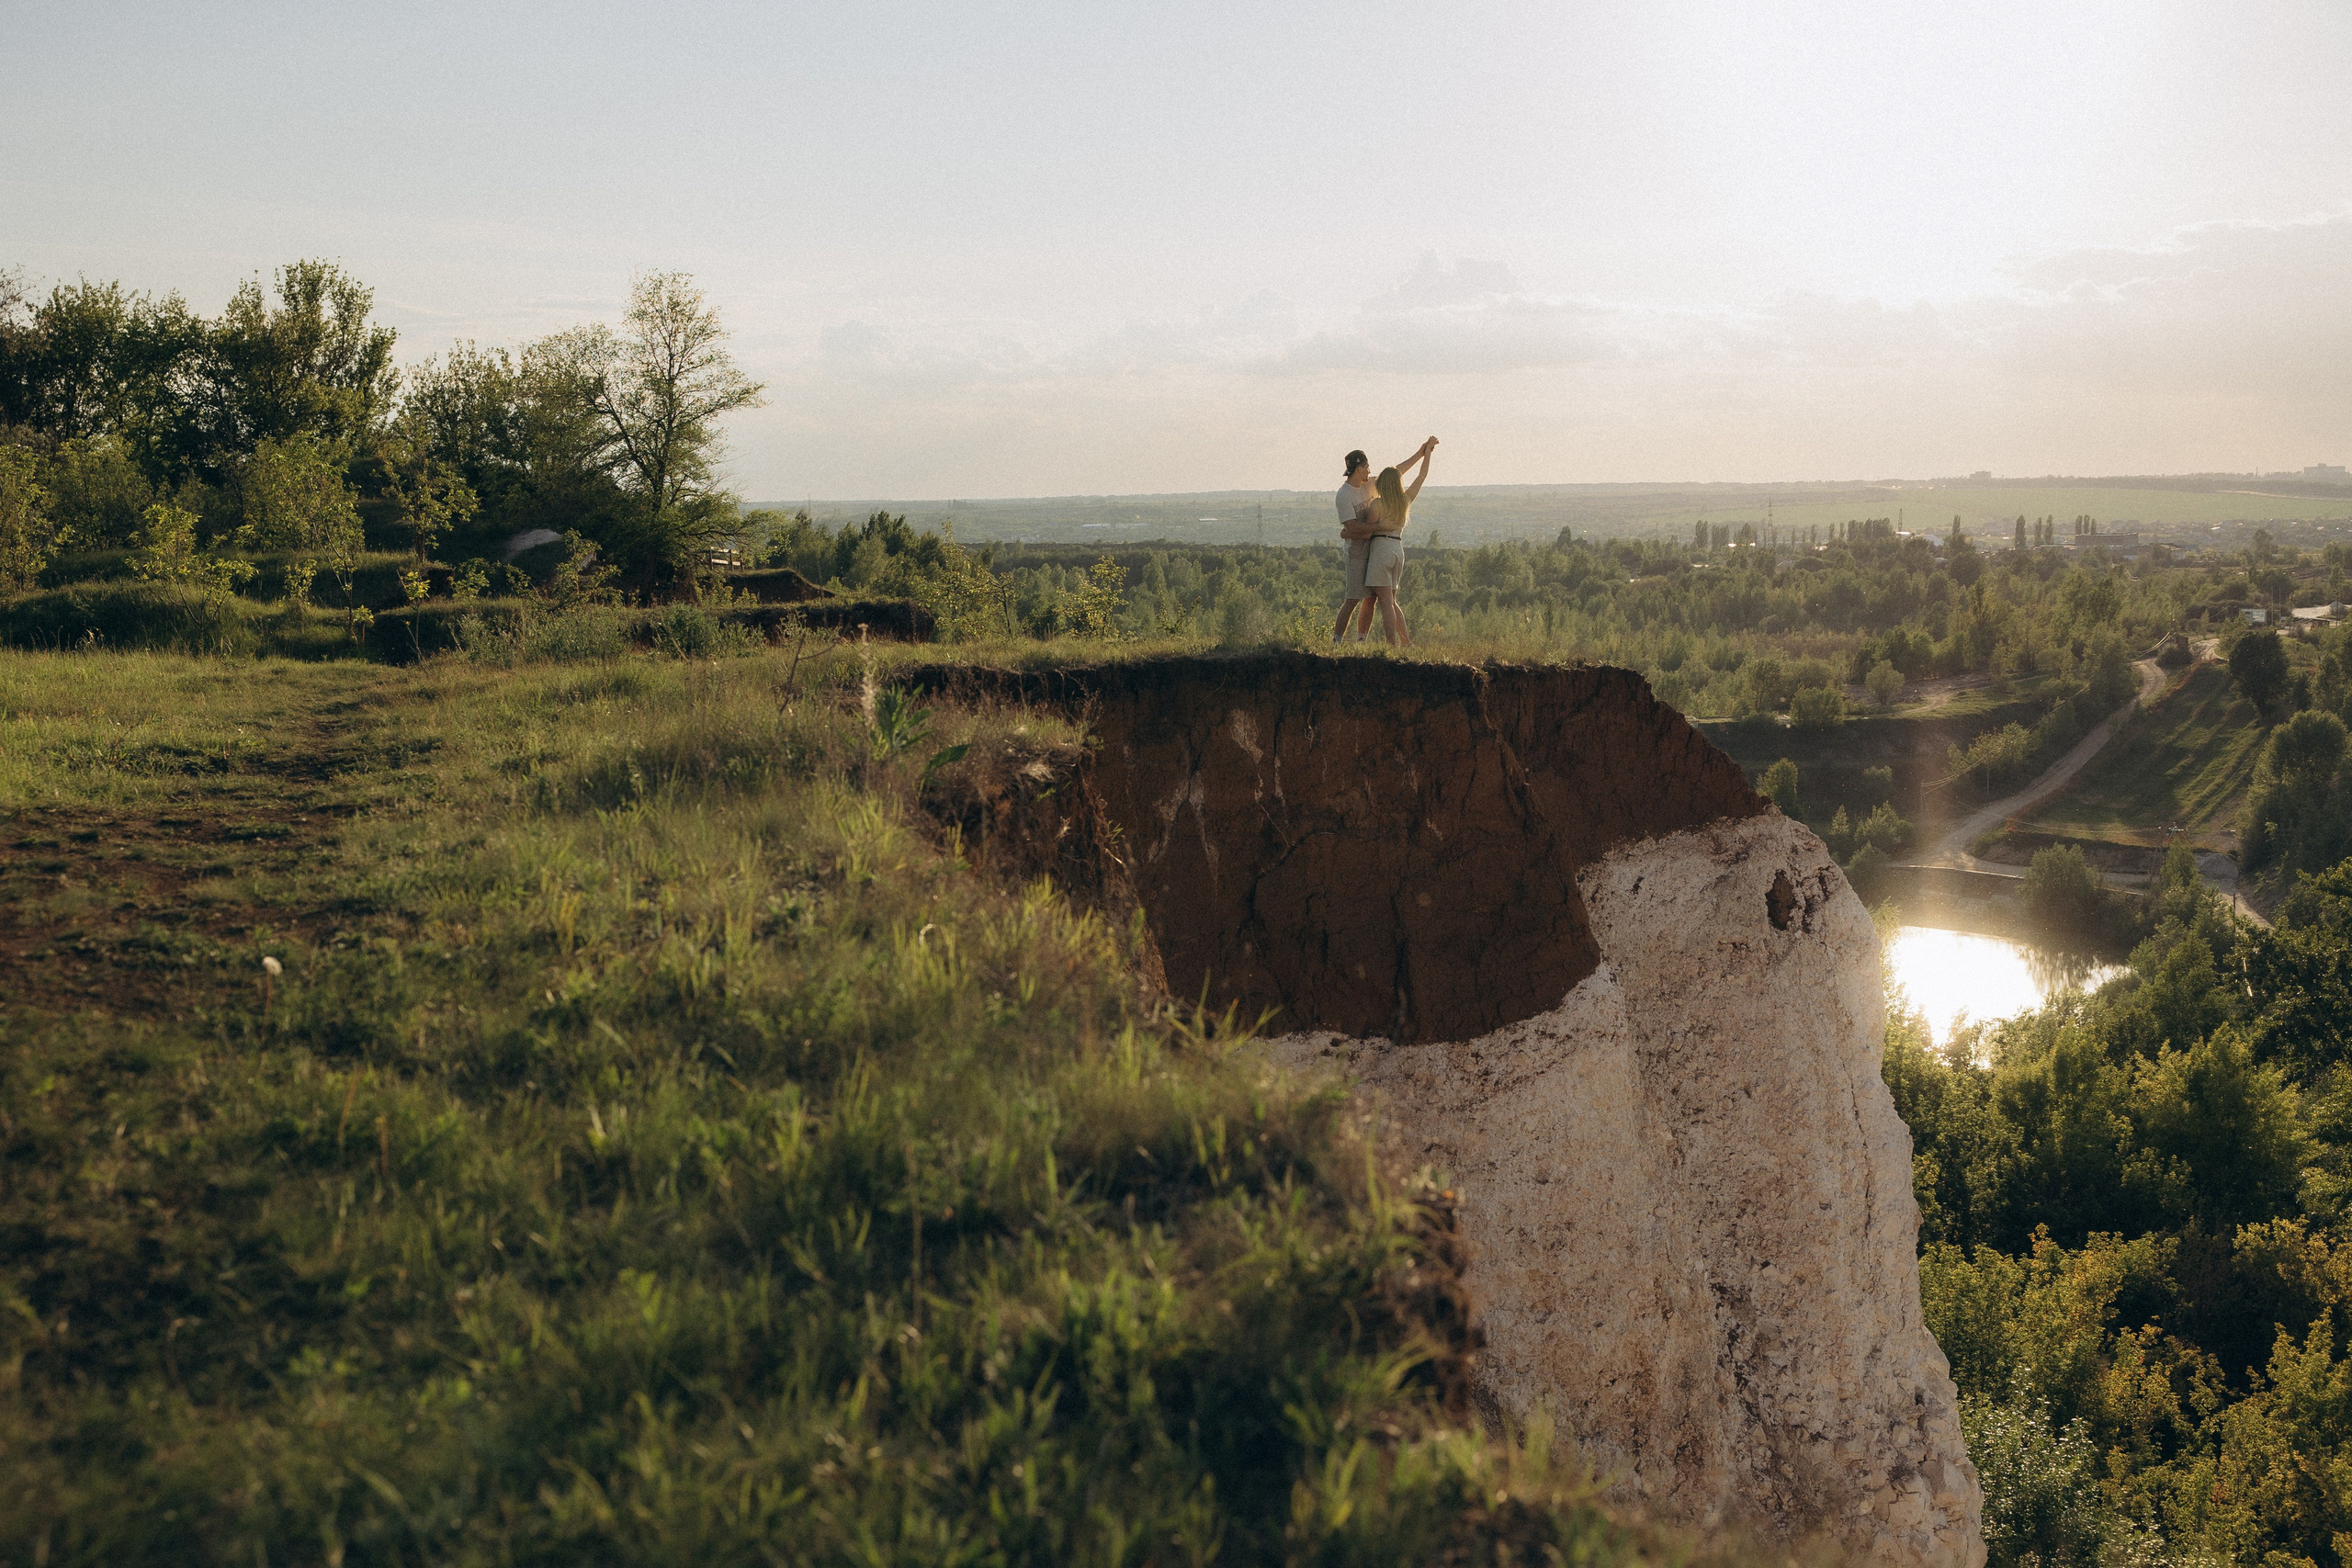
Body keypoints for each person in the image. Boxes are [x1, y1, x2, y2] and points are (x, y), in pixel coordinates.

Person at [1331, 441, 1435, 643]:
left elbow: (1397, 471)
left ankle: (1378, 643)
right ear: (1359, 469)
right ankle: (1402, 642)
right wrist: (1426, 454)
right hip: (1377, 550)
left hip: (1378, 550)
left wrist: (1420, 452)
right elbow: (1418, 477)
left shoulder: (1375, 497)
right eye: (1367, 468)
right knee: (1364, 599)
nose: (1370, 472)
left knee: (1378, 601)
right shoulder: (1346, 496)